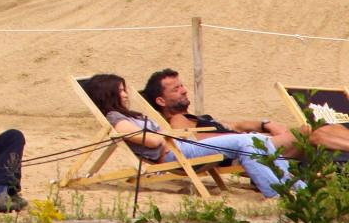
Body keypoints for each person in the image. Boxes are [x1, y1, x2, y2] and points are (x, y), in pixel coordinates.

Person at [82, 74, 295, 197]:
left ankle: (295, 188)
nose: (126, 94)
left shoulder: (129, 116)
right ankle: (275, 192)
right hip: (174, 154)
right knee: (246, 142)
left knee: (255, 141)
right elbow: (153, 140)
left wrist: (164, 132)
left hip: (181, 147)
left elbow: (157, 134)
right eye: (121, 90)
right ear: (108, 94)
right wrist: (165, 132)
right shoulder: (116, 120)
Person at [142, 68, 349, 159]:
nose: (184, 90)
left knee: (324, 130)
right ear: (161, 101)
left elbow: (236, 124)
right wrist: (246, 137)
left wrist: (264, 123)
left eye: (182, 86)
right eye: (176, 89)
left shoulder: (198, 118)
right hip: (247, 151)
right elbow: (193, 145)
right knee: (312, 133)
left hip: (253, 144)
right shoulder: (178, 120)